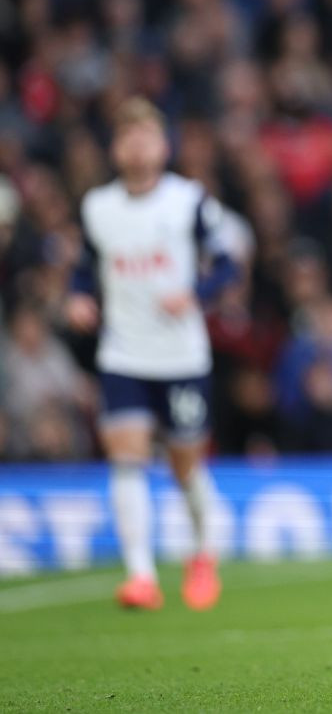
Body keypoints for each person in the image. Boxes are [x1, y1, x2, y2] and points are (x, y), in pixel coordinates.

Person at [66, 97, 241, 611]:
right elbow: (84, 267)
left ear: (163, 146)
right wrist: (79, 298)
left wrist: (197, 295)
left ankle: (202, 555)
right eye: (127, 137)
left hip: (182, 357)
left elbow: (228, 263)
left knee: (184, 465)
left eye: (146, 136)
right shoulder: (98, 208)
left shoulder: (187, 201)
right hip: (123, 354)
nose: (137, 146)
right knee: (127, 459)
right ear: (116, 148)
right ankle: (140, 575)